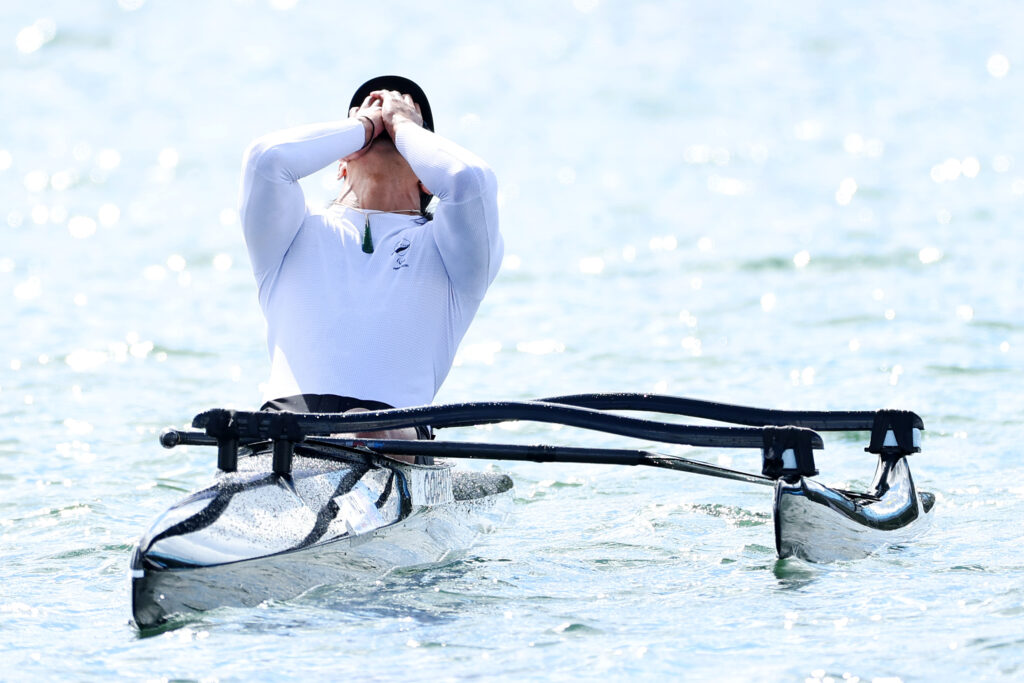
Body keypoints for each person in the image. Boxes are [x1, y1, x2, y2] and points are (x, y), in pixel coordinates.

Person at [238, 75, 502, 460]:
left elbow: (468, 181)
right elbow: (267, 159)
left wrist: (403, 125)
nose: (383, 116)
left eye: (398, 123)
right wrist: (362, 128)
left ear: (427, 175)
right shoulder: (290, 232)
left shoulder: (452, 252)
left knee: (368, 422)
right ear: (340, 164)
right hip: (283, 433)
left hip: (394, 441)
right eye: (371, 114)